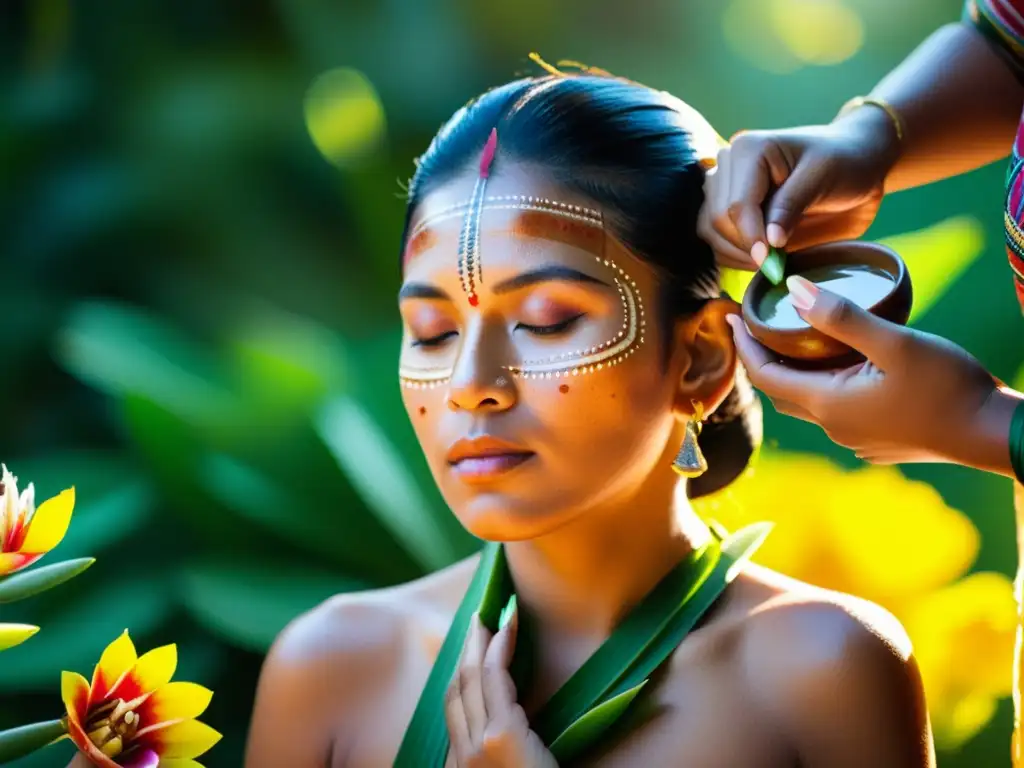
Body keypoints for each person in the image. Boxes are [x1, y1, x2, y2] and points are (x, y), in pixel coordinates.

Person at [243, 71, 933, 767]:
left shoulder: (822, 669)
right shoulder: (331, 669)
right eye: (431, 331)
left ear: (700, 358)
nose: (469, 386)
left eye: (547, 320)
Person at [697, 2, 1024, 761]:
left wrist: (987, 423)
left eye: (551, 318)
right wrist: (872, 135)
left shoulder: (836, 662)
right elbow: (1008, 38)